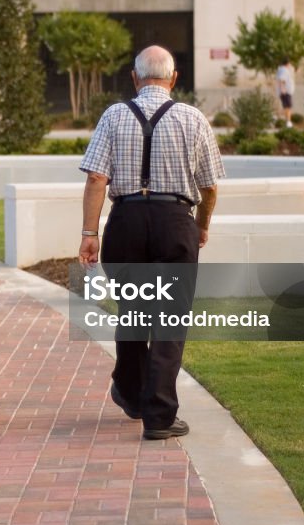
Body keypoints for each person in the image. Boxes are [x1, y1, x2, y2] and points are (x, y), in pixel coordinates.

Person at [78, 45, 224, 440]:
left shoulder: (113, 115)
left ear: (135, 77)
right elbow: (209, 186)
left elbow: (95, 179)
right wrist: (201, 224)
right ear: (174, 78)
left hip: (125, 221)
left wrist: (90, 234)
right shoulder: (193, 118)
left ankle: (129, 391)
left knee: (132, 312)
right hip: (175, 221)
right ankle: (158, 414)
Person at [276, 58, 296, 128]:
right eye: (290, 63)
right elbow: (282, 80)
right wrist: (283, 89)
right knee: (288, 107)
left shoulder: (282, 69)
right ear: (287, 63)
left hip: (286, 91)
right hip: (285, 91)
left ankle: (286, 121)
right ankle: (288, 122)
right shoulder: (284, 70)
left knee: (287, 107)